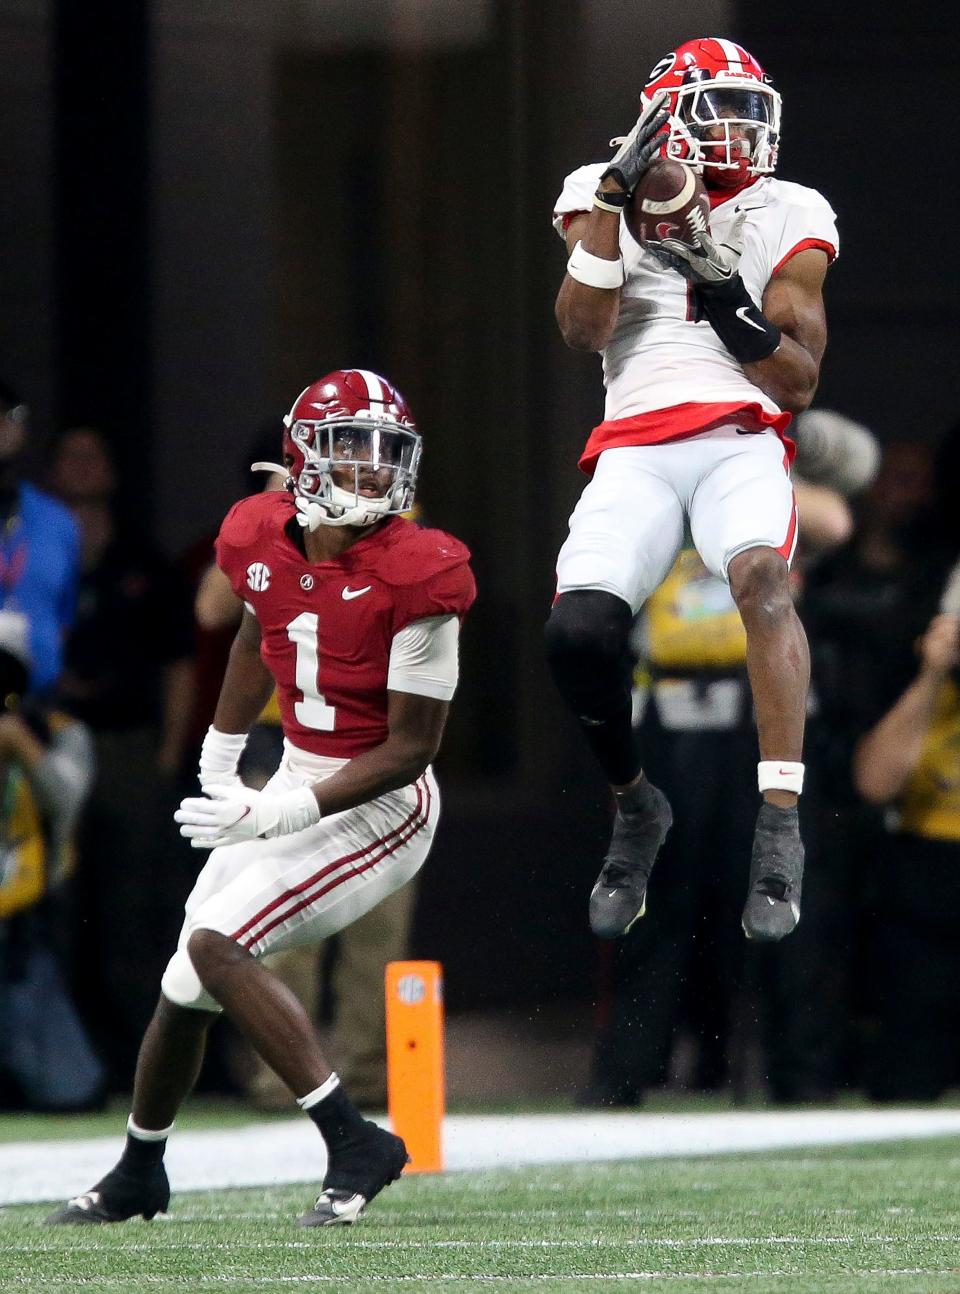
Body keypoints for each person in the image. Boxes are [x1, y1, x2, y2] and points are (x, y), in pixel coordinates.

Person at [47, 368, 475, 1228]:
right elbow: (254, 629)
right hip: (295, 770)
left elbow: (411, 748)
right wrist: (221, 751)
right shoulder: (256, 533)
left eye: (385, 451)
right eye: (350, 446)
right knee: (184, 978)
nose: (370, 469)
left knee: (216, 941)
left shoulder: (422, 571)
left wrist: (283, 811)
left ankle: (354, 1137)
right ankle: (140, 1167)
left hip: (383, 803)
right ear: (303, 456)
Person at [544, 37, 838, 944]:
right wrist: (610, 207)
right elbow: (581, 329)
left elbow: (795, 380)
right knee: (578, 633)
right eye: (724, 111)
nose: (746, 134)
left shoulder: (791, 208)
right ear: (665, 118)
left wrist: (712, 274)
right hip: (633, 445)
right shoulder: (599, 184)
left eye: (756, 113)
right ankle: (636, 804)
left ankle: (779, 824)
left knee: (761, 580)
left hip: (738, 438)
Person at [852, 606, 960, 1099]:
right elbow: (874, 784)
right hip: (928, 876)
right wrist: (932, 674)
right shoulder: (917, 687)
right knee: (907, 1075)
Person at [0, 382, 80, 696]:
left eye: (10, 414)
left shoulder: (57, 520)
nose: (2, 424)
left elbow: (64, 616)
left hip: (36, 702)